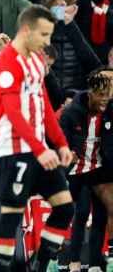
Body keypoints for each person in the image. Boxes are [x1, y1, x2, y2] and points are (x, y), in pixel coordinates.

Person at [0, 5, 74, 272]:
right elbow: (13, 113)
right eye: (44, 35)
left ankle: (40, 268)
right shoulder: (6, 62)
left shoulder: (37, 60)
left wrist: (60, 142)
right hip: (14, 151)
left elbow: (45, 106)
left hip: (39, 149)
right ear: (26, 30)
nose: (47, 42)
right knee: (11, 216)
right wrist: (41, 149)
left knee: (64, 208)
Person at [60, 68, 113, 271]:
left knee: (100, 216)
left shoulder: (109, 110)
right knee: (81, 213)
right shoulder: (71, 112)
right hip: (77, 170)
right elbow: (60, 140)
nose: (104, 101)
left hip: (99, 170)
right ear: (90, 93)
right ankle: (74, 260)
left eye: (107, 98)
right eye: (101, 97)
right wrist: (67, 152)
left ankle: (94, 264)